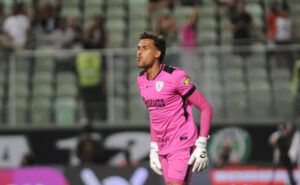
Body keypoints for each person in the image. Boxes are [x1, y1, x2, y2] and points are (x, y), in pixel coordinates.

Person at [136, 32, 213, 185]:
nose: (139, 52)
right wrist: (154, 148)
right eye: (138, 48)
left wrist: (202, 145)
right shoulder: (141, 80)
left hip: (182, 144)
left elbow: (206, 107)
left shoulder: (175, 76)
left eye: (145, 48)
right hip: (163, 147)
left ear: (157, 53)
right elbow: (154, 114)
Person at [75, 49, 107, 124]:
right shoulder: (96, 55)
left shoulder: (81, 57)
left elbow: (102, 73)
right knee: (90, 107)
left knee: (95, 106)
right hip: (88, 86)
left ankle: (98, 121)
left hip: (94, 85)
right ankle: (91, 121)